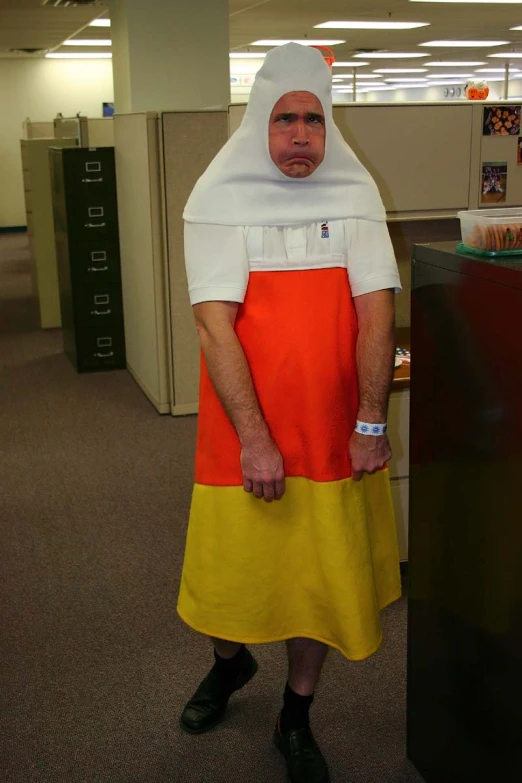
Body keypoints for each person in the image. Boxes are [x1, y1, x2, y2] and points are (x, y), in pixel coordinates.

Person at [177, 43, 402, 783]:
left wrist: (371, 422)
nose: (300, 134)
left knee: (318, 586)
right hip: (242, 442)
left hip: (335, 442)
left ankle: (294, 715)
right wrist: (256, 441)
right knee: (227, 586)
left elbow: (377, 316)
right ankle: (229, 660)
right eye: (283, 120)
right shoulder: (216, 202)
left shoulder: (356, 197)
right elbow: (216, 326)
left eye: (313, 118)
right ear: (257, 126)